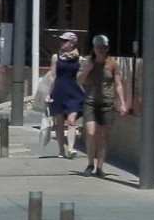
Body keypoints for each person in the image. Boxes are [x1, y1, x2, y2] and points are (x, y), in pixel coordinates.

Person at [76, 33, 128, 177]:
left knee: (104, 136)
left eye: (104, 47)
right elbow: (79, 81)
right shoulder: (87, 62)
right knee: (91, 133)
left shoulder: (112, 64)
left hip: (107, 102)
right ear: (94, 48)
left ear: (107, 48)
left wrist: (122, 102)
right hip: (91, 102)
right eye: (99, 47)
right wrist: (87, 69)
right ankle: (90, 163)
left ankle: (100, 166)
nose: (101, 50)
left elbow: (118, 84)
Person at [48, 32, 86, 160]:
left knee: (71, 120)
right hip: (59, 91)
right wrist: (48, 93)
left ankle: (70, 148)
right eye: (61, 40)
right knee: (59, 123)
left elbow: (81, 77)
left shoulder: (79, 59)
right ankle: (61, 149)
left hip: (73, 91)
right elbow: (53, 76)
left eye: (65, 41)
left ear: (72, 43)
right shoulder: (56, 57)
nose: (62, 43)